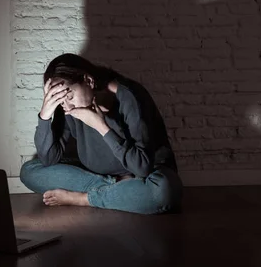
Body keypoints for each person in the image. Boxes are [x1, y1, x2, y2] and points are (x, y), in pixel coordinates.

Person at [20, 53, 183, 214]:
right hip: (101, 176)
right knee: (29, 171)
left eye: (69, 97)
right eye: (60, 102)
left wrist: (101, 125)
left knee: (162, 192)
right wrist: (45, 115)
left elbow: (142, 168)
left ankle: (85, 199)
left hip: (146, 173)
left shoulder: (130, 97)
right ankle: (118, 188)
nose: (68, 107)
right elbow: (49, 159)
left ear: (89, 80)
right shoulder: (68, 108)